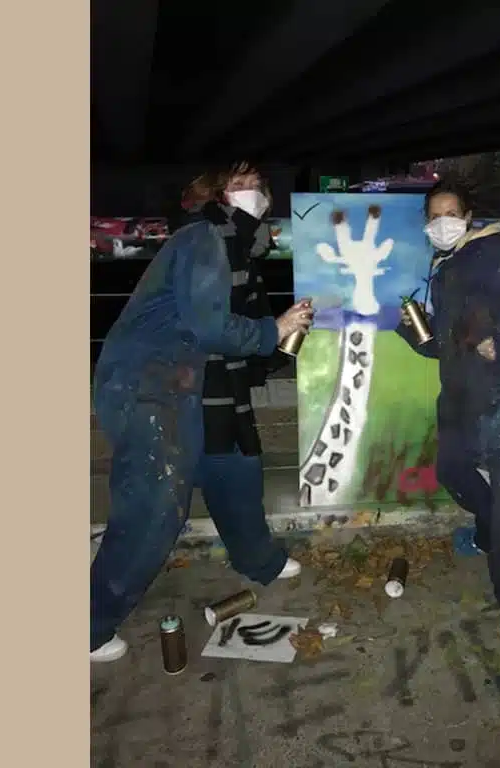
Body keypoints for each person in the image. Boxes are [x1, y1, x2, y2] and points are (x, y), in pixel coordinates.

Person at [90, 162, 313, 662]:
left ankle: (259, 560)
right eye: (238, 185)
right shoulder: (204, 236)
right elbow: (209, 326)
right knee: (153, 509)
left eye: (257, 185)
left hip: (196, 383)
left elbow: (248, 337)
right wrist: (273, 329)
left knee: (234, 468)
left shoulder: (239, 250)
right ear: (217, 195)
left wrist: (281, 335)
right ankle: (89, 624)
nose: (251, 192)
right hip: (151, 385)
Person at [396, 178, 500, 651]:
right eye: (434, 216)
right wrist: (416, 333)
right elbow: (450, 343)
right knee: (452, 470)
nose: (442, 223)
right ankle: (486, 534)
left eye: (451, 214)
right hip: (461, 395)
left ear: (467, 216)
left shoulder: (498, 252)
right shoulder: (447, 266)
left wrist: (498, 342)